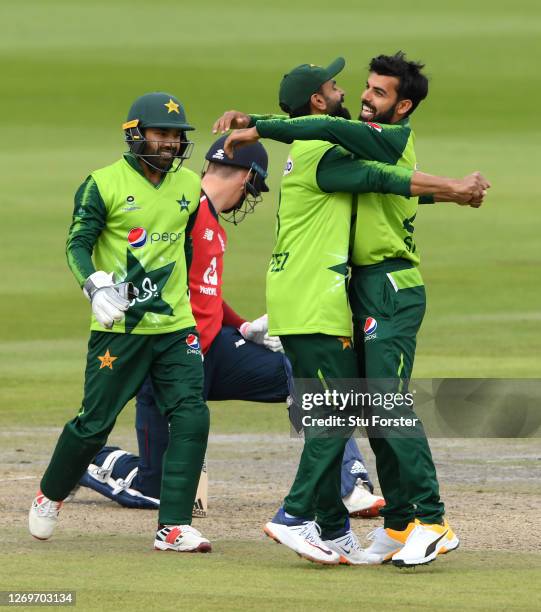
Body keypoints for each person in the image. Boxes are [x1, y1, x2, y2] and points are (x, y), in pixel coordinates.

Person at [220, 52, 490, 567]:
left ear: (403, 105)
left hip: (389, 285)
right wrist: (451, 191)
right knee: (367, 409)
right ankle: (400, 522)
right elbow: (380, 187)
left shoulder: (387, 138)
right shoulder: (338, 148)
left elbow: (385, 179)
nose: (364, 96)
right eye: (362, 87)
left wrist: (260, 126)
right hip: (357, 289)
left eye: (378, 92)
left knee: (386, 405)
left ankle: (432, 521)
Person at [75, 135, 385, 520]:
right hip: (169, 360)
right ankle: (92, 461)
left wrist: (242, 326)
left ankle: (347, 483)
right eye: (255, 187)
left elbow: (201, 295)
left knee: (300, 368)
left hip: (212, 352)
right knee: (159, 489)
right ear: (247, 179)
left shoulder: (214, 226)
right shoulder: (180, 210)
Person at [28, 92, 212, 553]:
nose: (170, 143)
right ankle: (50, 494)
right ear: (135, 135)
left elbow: (185, 250)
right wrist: (94, 285)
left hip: (174, 327)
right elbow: (77, 243)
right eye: (161, 133)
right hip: (119, 328)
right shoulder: (103, 183)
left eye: (177, 135)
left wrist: (186, 303)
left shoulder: (190, 185)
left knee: (191, 415)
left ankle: (173, 526)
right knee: (94, 425)